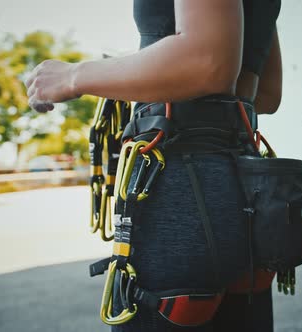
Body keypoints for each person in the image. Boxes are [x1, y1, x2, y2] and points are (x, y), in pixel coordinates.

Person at [24, 0, 282, 331]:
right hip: (243, 183)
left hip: (182, 186)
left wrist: (74, 75)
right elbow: (267, 93)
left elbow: (208, 63)